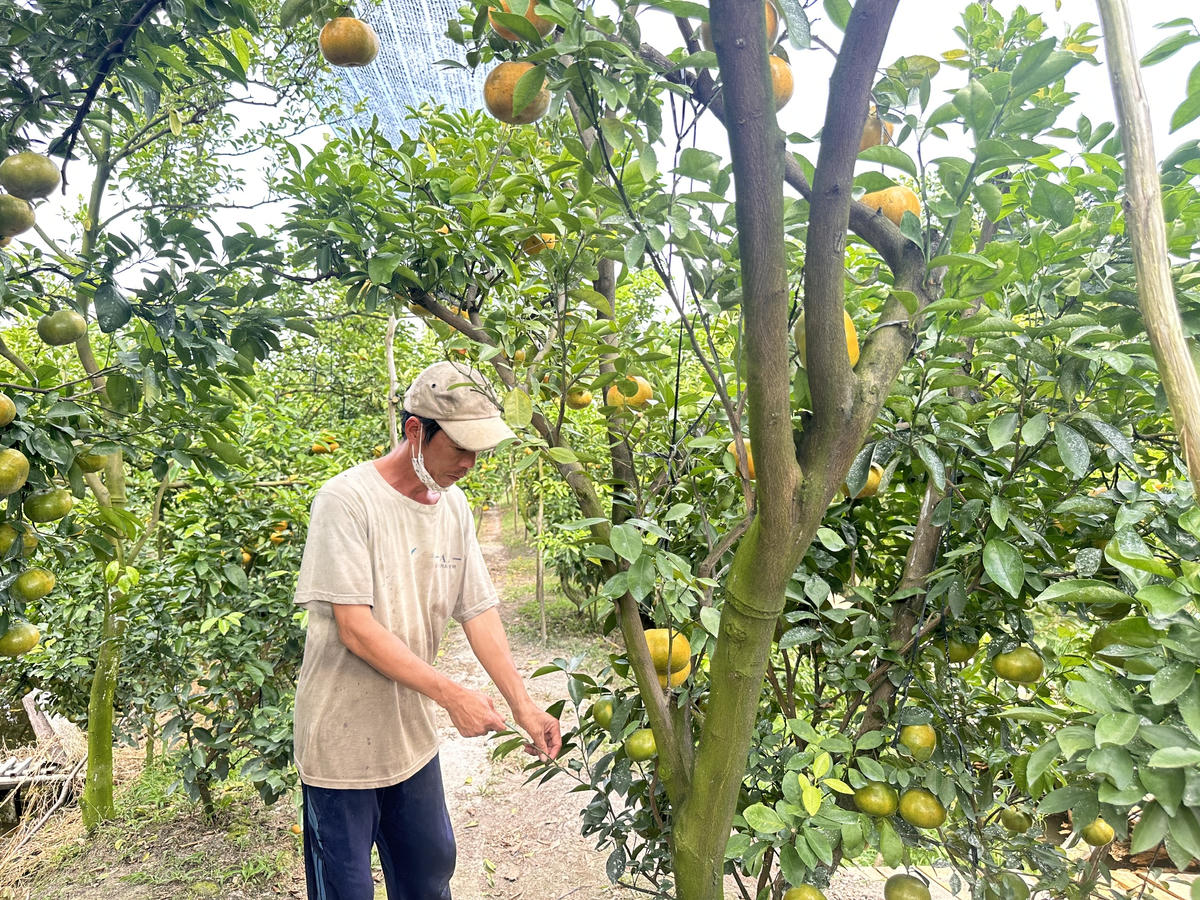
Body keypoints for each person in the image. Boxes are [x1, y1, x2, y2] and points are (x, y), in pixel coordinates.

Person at [292, 359, 562, 900]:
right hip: (341, 743)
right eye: (459, 448)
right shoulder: (346, 501)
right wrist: (453, 695)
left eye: (477, 451)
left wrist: (523, 704)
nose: (469, 464)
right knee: (345, 890)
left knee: (429, 876)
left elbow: (479, 611)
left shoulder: (454, 507)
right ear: (415, 430)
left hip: (410, 738)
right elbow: (356, 629)